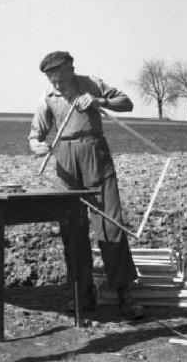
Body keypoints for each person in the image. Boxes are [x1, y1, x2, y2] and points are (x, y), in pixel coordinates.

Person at [29, 51, 144, 320]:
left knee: (110, 224)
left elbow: (127, 103)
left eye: (58, 74)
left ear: (71, 68)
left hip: (96, 154)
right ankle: (82, 293)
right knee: (72, 227)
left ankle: (124, 294)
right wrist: (37, 146)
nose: (55, 81)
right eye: (49, 76)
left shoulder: (91, 83)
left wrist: (99, 100)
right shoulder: (47, 98)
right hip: (65, 161)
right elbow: (34, 136)